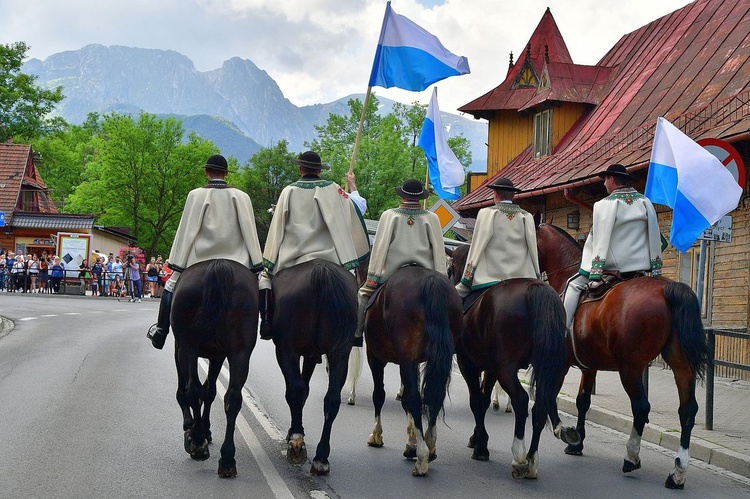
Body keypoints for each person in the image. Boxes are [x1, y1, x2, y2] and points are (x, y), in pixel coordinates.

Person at [146, 153, 263, 349]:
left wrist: (178, 261)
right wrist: (256, 262)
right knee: (260, 288)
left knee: (171, 285)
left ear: (207, 172)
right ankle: (266, 323)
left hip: (198, 259)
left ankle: (161, 330)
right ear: (226, 174)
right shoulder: (242, 197)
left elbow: (187, 229)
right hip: (237, 260)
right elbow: (249, 231)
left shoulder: (196, 195)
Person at [259, 150, 370, 340]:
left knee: (264, 279)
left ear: (300, 169)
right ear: (319, 170)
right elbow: (359, 207)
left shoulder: (289, 191)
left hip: (294, 259)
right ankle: (355, 331)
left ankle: (266, 322)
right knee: (354, 287)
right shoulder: (334, 189)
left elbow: (277, 228)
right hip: (332, 260)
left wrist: (268, 261)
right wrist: (352, 185)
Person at [562, 164, 663, 329]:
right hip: (641, 269)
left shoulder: (604, 204)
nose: (604, 184)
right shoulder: (645, 202)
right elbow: (654, 234)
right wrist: (656, 269)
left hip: (614, 269)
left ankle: (562, 330)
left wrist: (594, 271)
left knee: (573, 284)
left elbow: (600, 240)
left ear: (612, 179)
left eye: (605, 180)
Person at [355, 179, 446, 345]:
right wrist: (442, 277)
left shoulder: (389, 215)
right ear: (420, 197)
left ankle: (356, 334)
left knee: (362, 296)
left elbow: (380, 248)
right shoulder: (432, 217)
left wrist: (372, 277)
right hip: (426, 272)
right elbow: (439, 251)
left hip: (392, 271)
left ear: (403, 196)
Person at [455, 177, 540, 299]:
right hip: (523, 276)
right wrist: (536, 274)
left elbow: (477, 246)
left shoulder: (486, 213)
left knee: (455, 298)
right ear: (512, 196)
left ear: (495, 194)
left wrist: (467, 277)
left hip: (490, 277)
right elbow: (532, 248)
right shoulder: (526, 216)